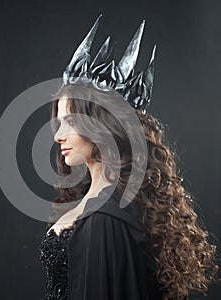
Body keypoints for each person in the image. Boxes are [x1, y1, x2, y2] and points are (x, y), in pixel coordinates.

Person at [39, 15, 218, 300]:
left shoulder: (106, 219)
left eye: (70, 122)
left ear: (102, 125)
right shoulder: (104, 205)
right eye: (58, 122)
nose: (58, 135)